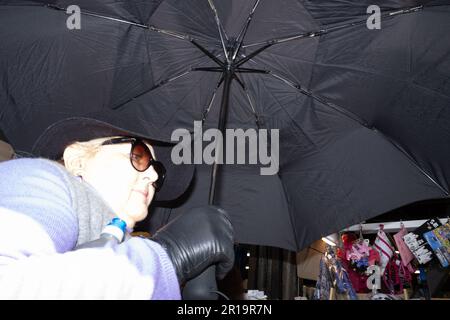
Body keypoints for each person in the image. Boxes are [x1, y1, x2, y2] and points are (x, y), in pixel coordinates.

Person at [0, 117, 234, 299]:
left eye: (158, 172)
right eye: (139, 155)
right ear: (77, 159)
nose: (153, 175)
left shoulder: (130, 246)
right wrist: (168, 255)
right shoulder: (37, 179)